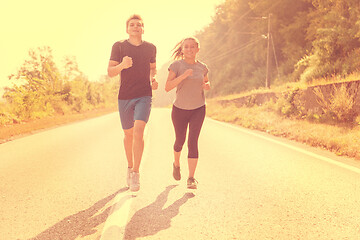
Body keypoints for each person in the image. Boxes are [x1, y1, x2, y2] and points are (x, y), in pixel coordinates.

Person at [108, 14, 158, 191]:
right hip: (125, 96)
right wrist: (122, 65)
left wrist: (153, 79)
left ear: (143, 28)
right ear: (127, 29)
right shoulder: (119, 46)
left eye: (139, 25)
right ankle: (130, 167)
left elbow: (153, 69)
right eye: (132, 24)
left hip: (144, 94)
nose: (135, 27)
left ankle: (136, 173)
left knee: (138, 131)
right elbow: (110, 72)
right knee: (128, 135)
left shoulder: (151, 48)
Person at [165, 37, 210, 189]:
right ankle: (176, 164)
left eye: (193, 47)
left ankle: (191, 178)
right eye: (186, 47)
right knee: (180, 141)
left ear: (197, 49)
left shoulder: (203, 67)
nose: (190, 49)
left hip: (198, 108)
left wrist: (207, 85)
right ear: (182, 50)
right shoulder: (176, 65)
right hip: (179, 109)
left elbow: (206, 81)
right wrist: (183, 76)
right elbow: (167, 87)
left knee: (193, 141)